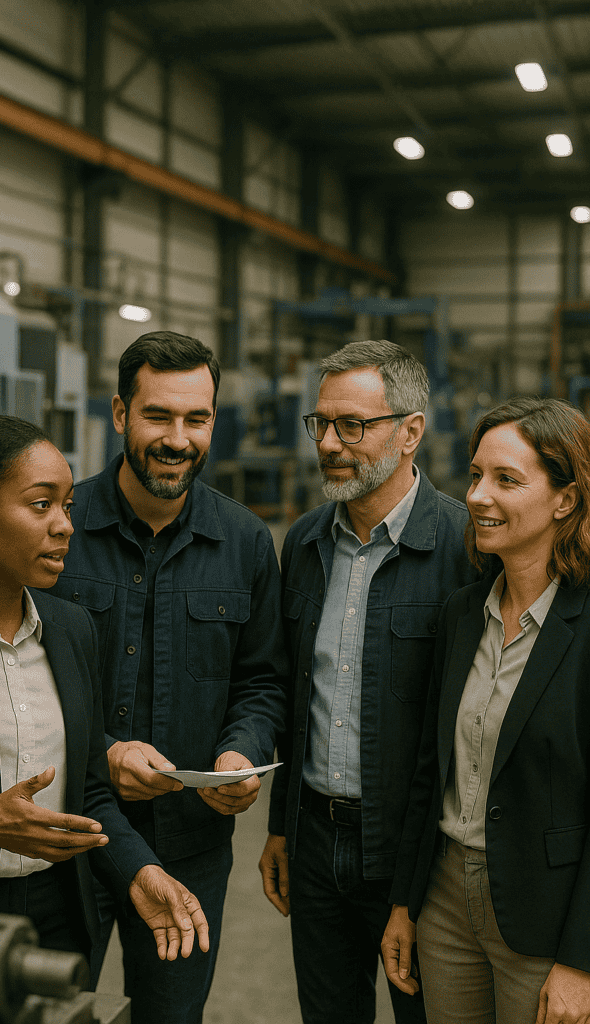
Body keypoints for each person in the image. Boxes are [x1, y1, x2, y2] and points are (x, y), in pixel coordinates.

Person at [0, 414, 208, 967]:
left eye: (68, 506)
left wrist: (141, 871)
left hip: (61, 922)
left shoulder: (71, 630)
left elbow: (89, 789)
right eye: (41, 504)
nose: (65, 526)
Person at [51, 331, 288, 1023]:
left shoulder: (244, 541)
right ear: (120, 413)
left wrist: (240, 751)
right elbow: (16, 677)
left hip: (188, 844)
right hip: (67, 838)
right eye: (158, 416)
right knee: (50, 1008)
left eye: (197, 419)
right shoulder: (59, 529)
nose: (177, 439)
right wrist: (101, 752)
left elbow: (261, 680)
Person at [259, 340, 477, 1024]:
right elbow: (297, 696)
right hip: (316, 842)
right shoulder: (302, 544)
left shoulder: (465, 549)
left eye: (351, 425)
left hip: (419, 855)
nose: (328, 443)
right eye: (320, 424)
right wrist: (279, 826)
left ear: (410, 431)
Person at [381, 397, 590, 1024]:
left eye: (506, 480)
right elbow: (430, 769)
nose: (476, 497)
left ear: (565, 499)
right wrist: (405, 904)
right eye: (475, 475)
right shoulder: (462, 614)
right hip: (445, 901)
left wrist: (582, 961)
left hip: (544, 914)